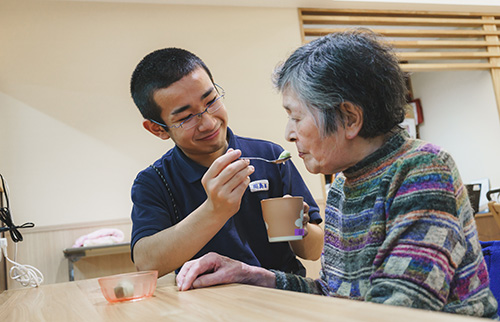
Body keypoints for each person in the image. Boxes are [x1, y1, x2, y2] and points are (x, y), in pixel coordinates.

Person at [175, 30, 499, 319]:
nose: (289, 133)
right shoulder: (343, 183)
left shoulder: (422, 169)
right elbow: (336, 295)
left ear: (349, 118)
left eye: (296, 117)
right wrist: (251, 274)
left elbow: (400, 310)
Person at [129, 47, 324, 278]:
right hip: (210, 306)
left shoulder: (269, 156)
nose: (209, 123)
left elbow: (313, 251)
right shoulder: (156, 181)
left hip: (282, 294)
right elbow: (146, 263)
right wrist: (214, 211)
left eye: (211, 101)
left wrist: (298, 229)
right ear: (158, 129)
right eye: (185, 118)